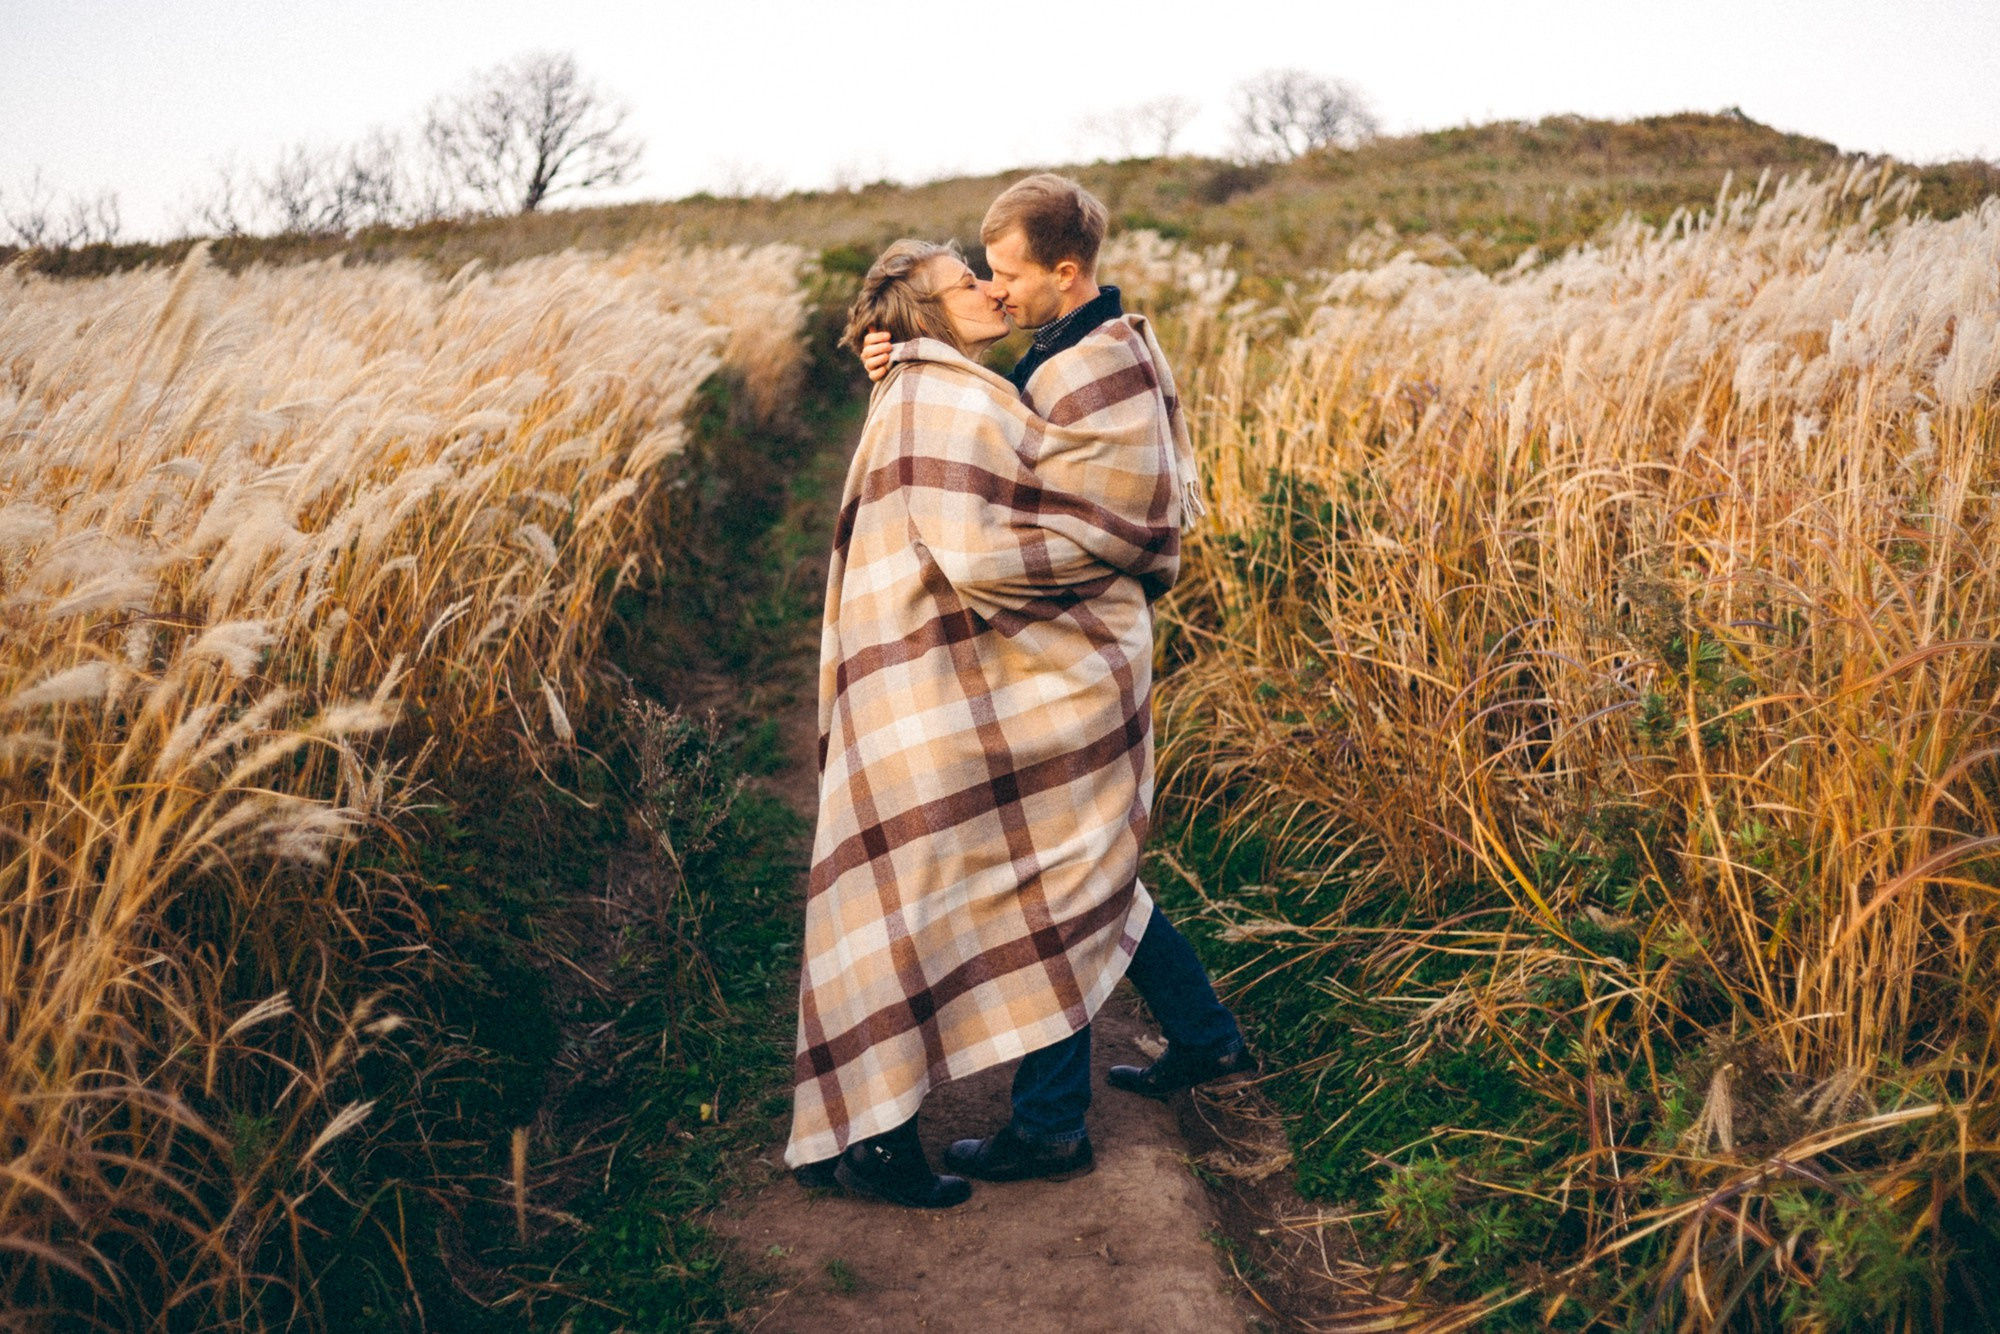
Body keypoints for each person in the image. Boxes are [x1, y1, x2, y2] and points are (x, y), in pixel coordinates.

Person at [787, 176, 1250, 1210]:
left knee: (1054, 878)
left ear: (1063, 273)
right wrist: (895, 353)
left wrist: (912, 354)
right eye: (974, 280)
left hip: (1080, 649)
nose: (994, 292)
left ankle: (1049, 1126)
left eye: (1001, 274)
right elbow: (981, 465)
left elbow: (1059, 512)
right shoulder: (1040, 355)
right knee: (1079, 868)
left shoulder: (1093, 361)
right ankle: (1205, 1037)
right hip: (1062, 646)